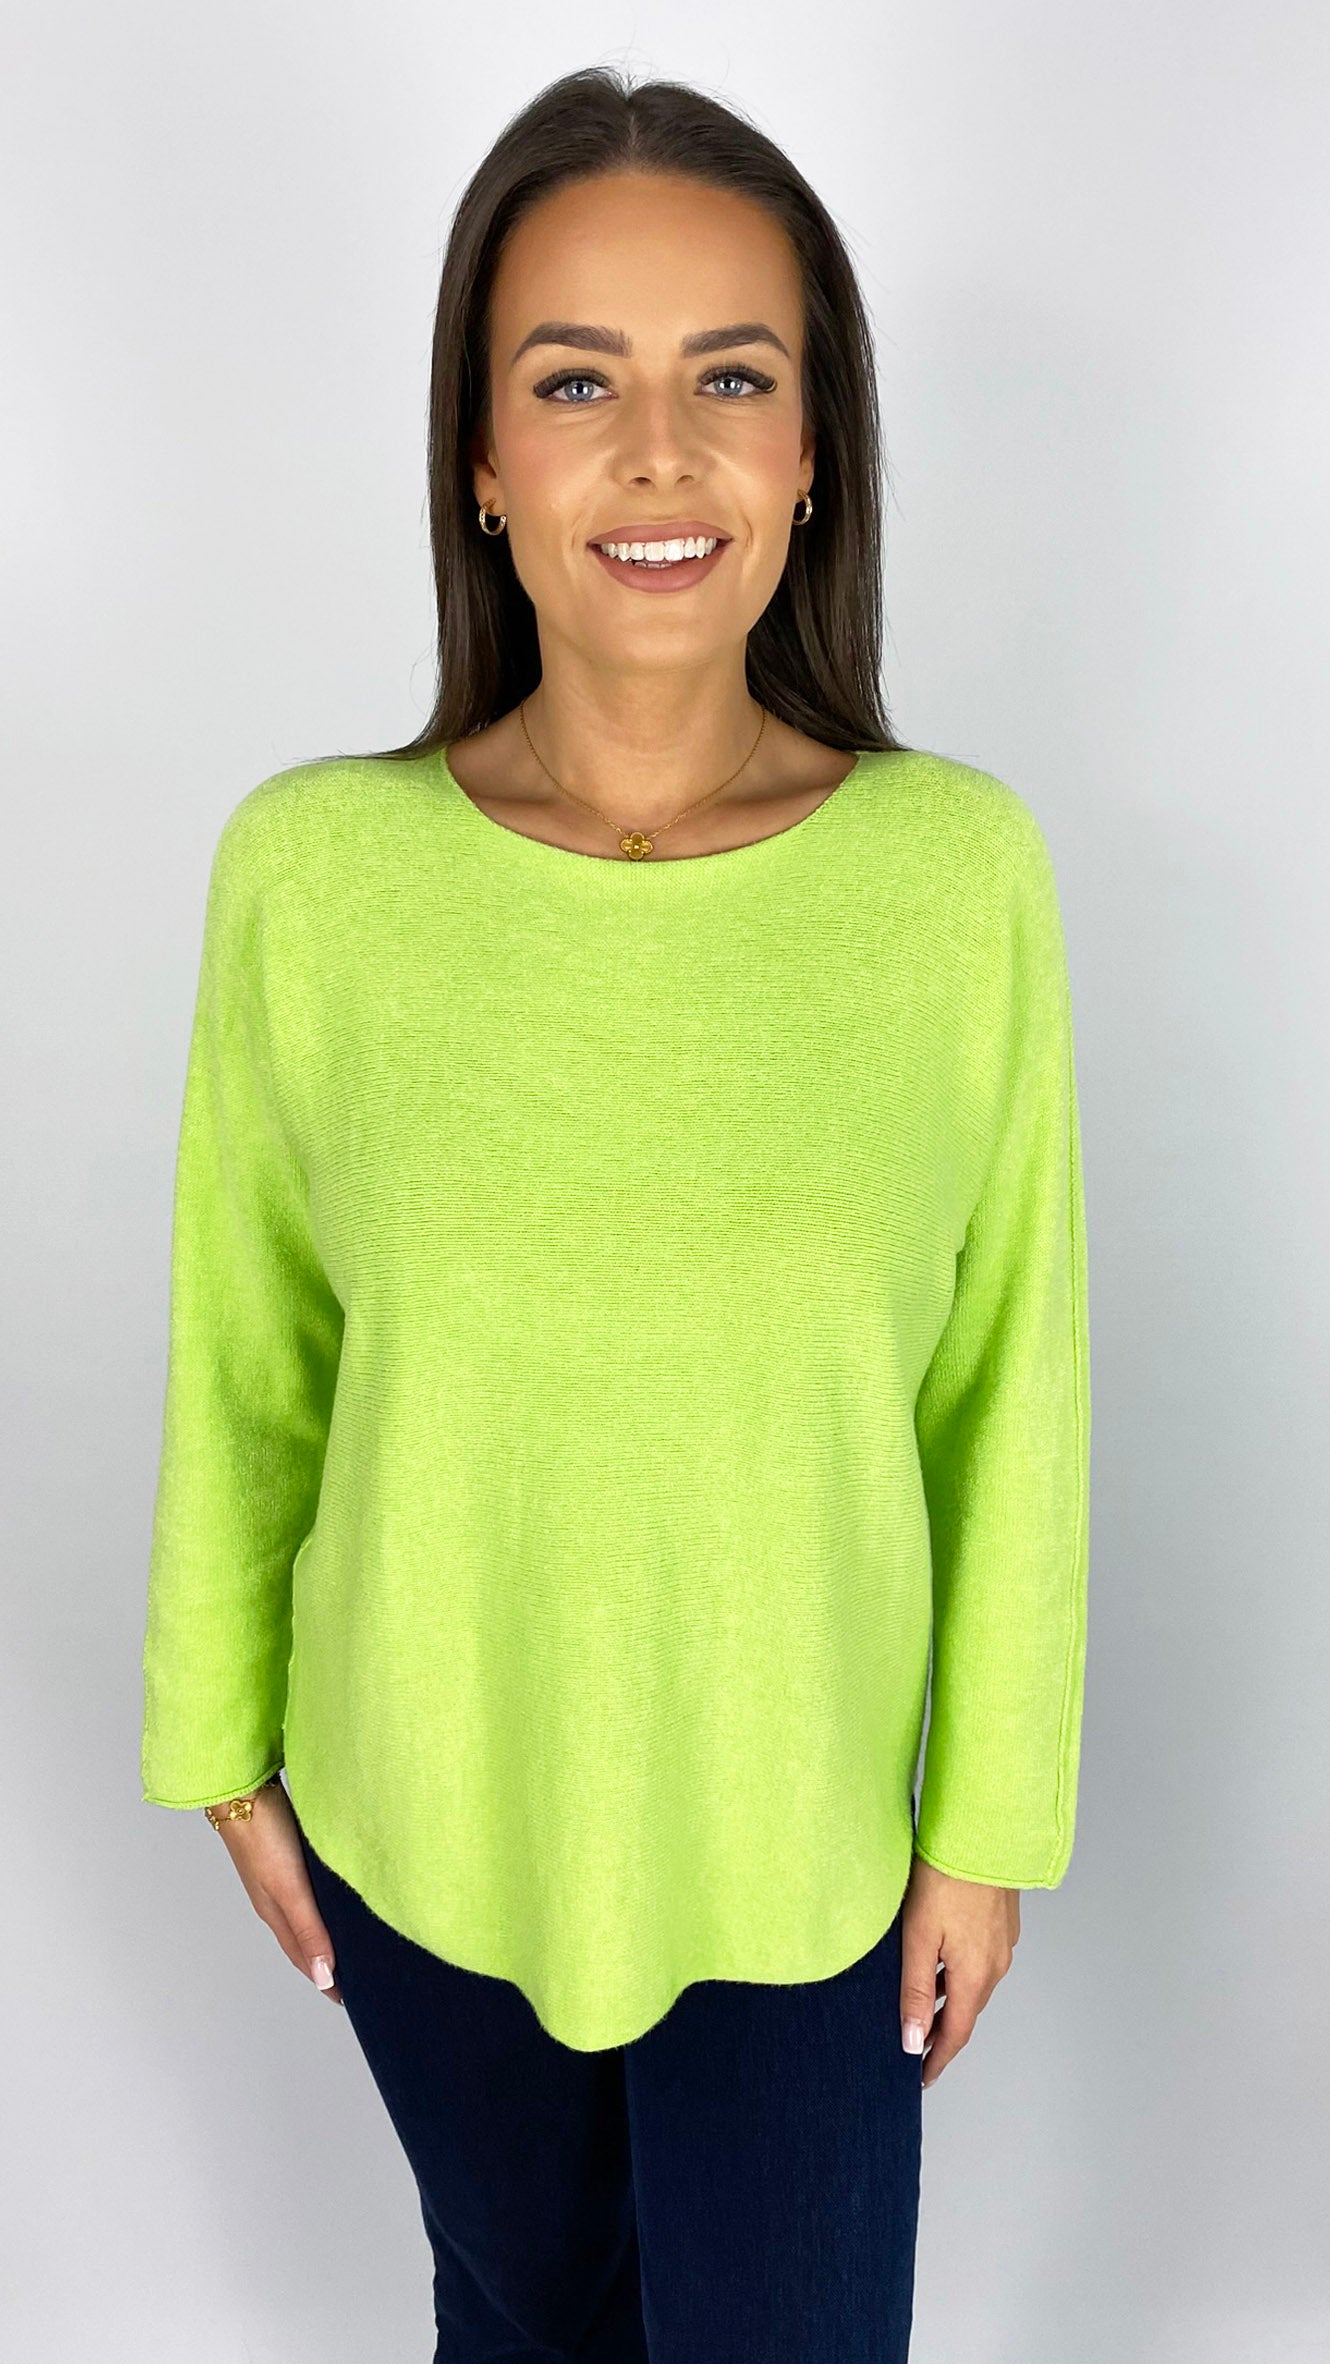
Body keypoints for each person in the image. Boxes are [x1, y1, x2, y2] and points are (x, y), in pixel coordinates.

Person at [140, 64, 1091, 2364]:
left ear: (810, 451)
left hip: (800, 1850)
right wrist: (215, 1746)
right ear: (479, 458)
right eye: (574, 382)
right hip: (421, 1818)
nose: (655, 454)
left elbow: (1010, 1389)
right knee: (520, 2329)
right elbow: (252, 1349)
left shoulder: (949, 877)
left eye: (727, 380)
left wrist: (985, 1825)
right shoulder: (315, 875)